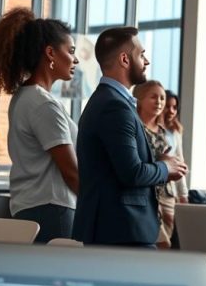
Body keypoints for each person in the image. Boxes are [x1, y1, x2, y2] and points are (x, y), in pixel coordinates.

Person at [72, 27, 188, 248]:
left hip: (117, 230)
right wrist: (165, 169)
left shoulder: (109, 101)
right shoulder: (114, 107)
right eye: (141, 54)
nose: (146, 61)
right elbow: (131, 172)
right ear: (125, 59)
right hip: (121, 231)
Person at [0, 8, 79, 243]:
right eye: (71, 51)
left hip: (33, 206)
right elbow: (71, 171)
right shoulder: (43, 104)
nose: (75, 60)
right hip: (53, 208)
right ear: (50, 53)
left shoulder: (24, 97)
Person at [133, 80, 178, 249]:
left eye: (162, 98)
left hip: (167, 193)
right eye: (153, 97)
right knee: (160, 241)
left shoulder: (164, 131)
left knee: (166, 243)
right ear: (140, 100)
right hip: (149, 193)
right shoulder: (137, 128)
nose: (159, 102)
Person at [162, 89, 190, 208]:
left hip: (171, 190)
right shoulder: (153, 130)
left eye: (174, 107)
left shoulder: (176, 132)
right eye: (167, 107)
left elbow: (180, 161)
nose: (171, 111)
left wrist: (183, 194)